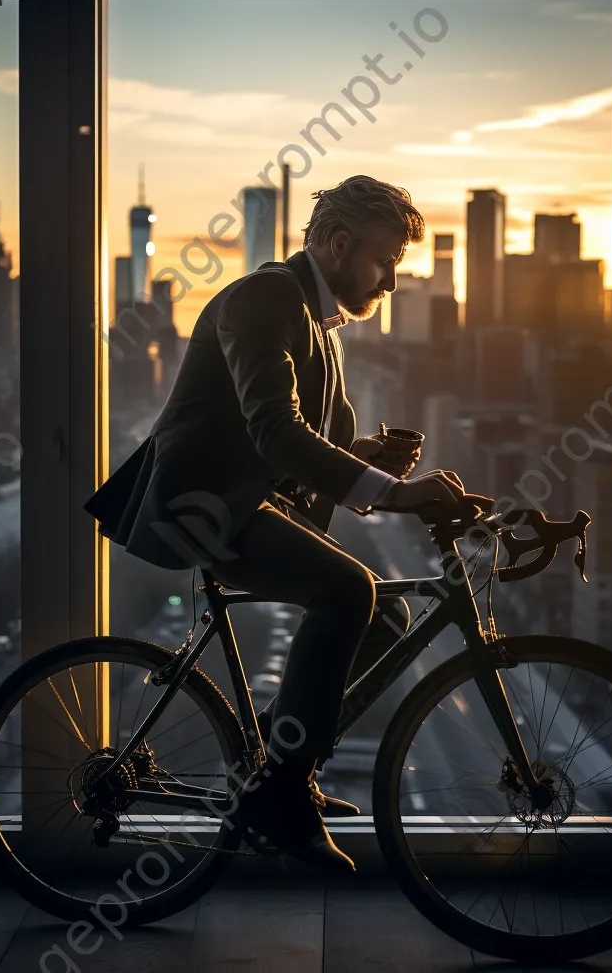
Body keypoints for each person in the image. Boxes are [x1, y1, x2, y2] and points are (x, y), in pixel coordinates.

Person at [84, 174, 464, 871]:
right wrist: (397, 495)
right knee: (348, 591)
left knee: (385, 618)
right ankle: (282, 791)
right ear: (341, 244)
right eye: (384, 264)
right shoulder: (265, 299)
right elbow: (275, 434)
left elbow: (289, 442)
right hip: (204, 507)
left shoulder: (316, 321)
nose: (389, 284)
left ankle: (278, 760)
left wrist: (365, 457)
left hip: (239, 499)